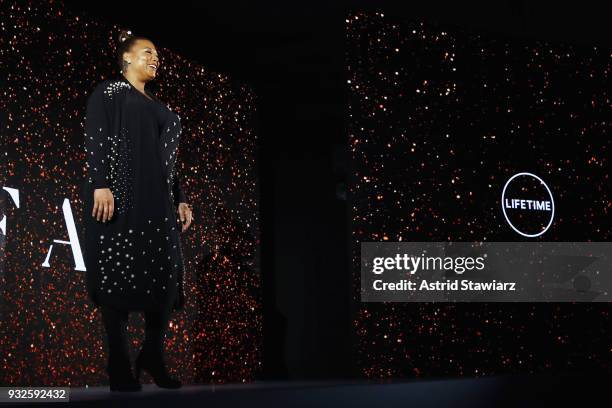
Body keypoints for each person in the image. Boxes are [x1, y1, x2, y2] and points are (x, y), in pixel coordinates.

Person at [81, 29, 193, 391]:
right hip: (121, 195)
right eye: (148, 52)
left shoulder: (163, 108)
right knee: (117, 275)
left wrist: (180, 197)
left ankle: (153, 356)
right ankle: (118, 363)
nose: (155, 58)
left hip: (159, 205)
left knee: (163, 280)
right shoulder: (111, 91)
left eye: (157, 54)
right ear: (127, 58)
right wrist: (101, 182)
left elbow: (169, 163)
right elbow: (96, 135)